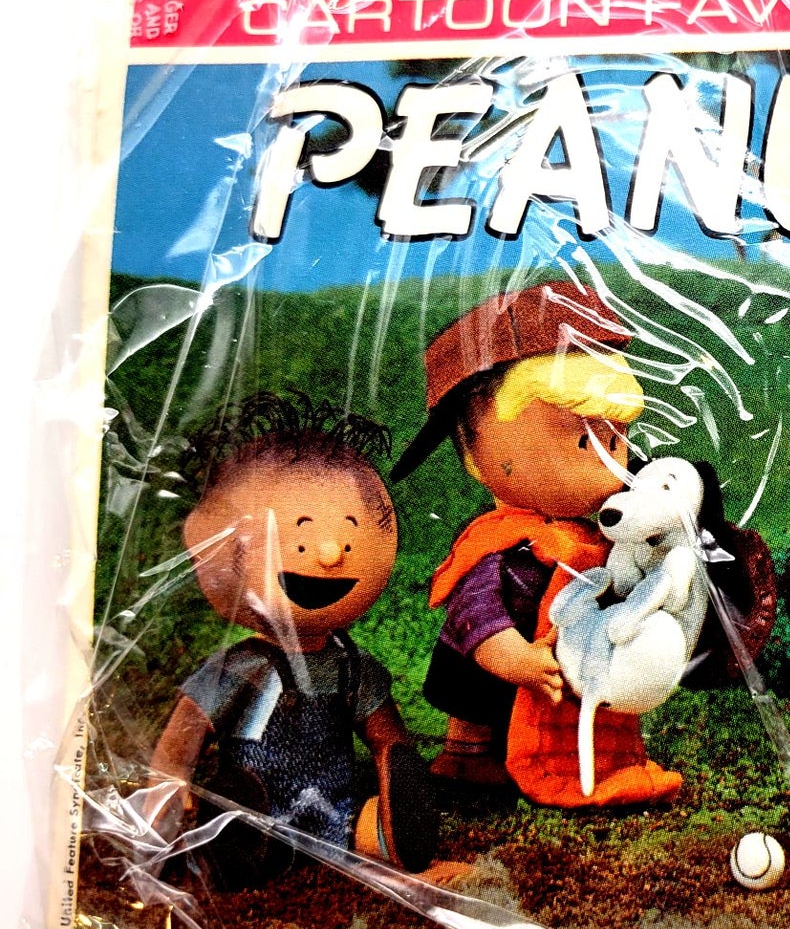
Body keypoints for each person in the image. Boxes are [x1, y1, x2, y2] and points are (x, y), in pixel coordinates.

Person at [392, 282, 684, 809]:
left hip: (559, 663)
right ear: (477, 458)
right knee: (475, 698)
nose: (610, 463)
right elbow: (477, 613)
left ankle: (568, 748)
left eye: (614, 440)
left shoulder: (599, 538)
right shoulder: (498, 546)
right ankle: (467, 752)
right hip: (499, 660)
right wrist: (516, 658)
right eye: (584, 441)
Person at [145, 393, 437, 885]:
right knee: (244, 824)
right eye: (300, 529)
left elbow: (388, 738)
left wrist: (397, 771)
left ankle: (382, 832)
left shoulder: (351, 668)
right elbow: (183, 739)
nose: (330, 552)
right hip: (258, 803)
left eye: (350, 530)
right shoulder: (242, 668)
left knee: (360, 828)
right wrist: (169, 781)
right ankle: (231, 840)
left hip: (334, 806)